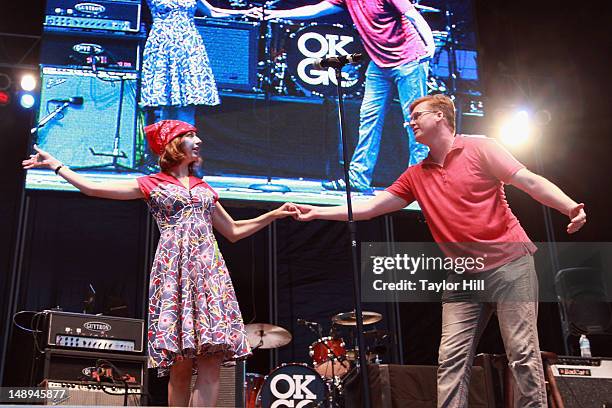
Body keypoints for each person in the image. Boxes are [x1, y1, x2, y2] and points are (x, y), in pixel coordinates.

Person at [292, 94, 587, 407]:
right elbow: (372, 207)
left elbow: (528, 180)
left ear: (441, 117)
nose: (411, 121)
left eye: (418, 115)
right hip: (462, 278)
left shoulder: (481, 147)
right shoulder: (415, 176)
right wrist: (317, 212)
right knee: (451, 359)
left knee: (521, 353)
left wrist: (570, 207)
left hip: (509, 264)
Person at [22, 120, 298, 407]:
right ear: (174, 143)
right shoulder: (152, 184)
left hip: (209, 274)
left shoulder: (204, 189)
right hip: (174, 273)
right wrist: (57, 166)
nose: (198, 140)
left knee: (211, 362)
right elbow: (93, 188)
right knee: (180, 365)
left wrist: (272, 215)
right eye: (190, 136)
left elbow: (233, 231)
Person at [263, 0, 436, 192]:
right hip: (379, 64)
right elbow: (316, 10)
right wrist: (277, 14)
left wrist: (431, 45)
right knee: (368, 119)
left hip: (410, 60)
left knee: (414, 122)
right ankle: (357, 178)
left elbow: (414, 15)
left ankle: (420, 182)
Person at [141, 0, 249, 125]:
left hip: (188, 47)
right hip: (164, 46)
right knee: (166, 102)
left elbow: (212, 11)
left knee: (188, 100)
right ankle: (167, 141)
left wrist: (244, 12)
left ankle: (185, 138)